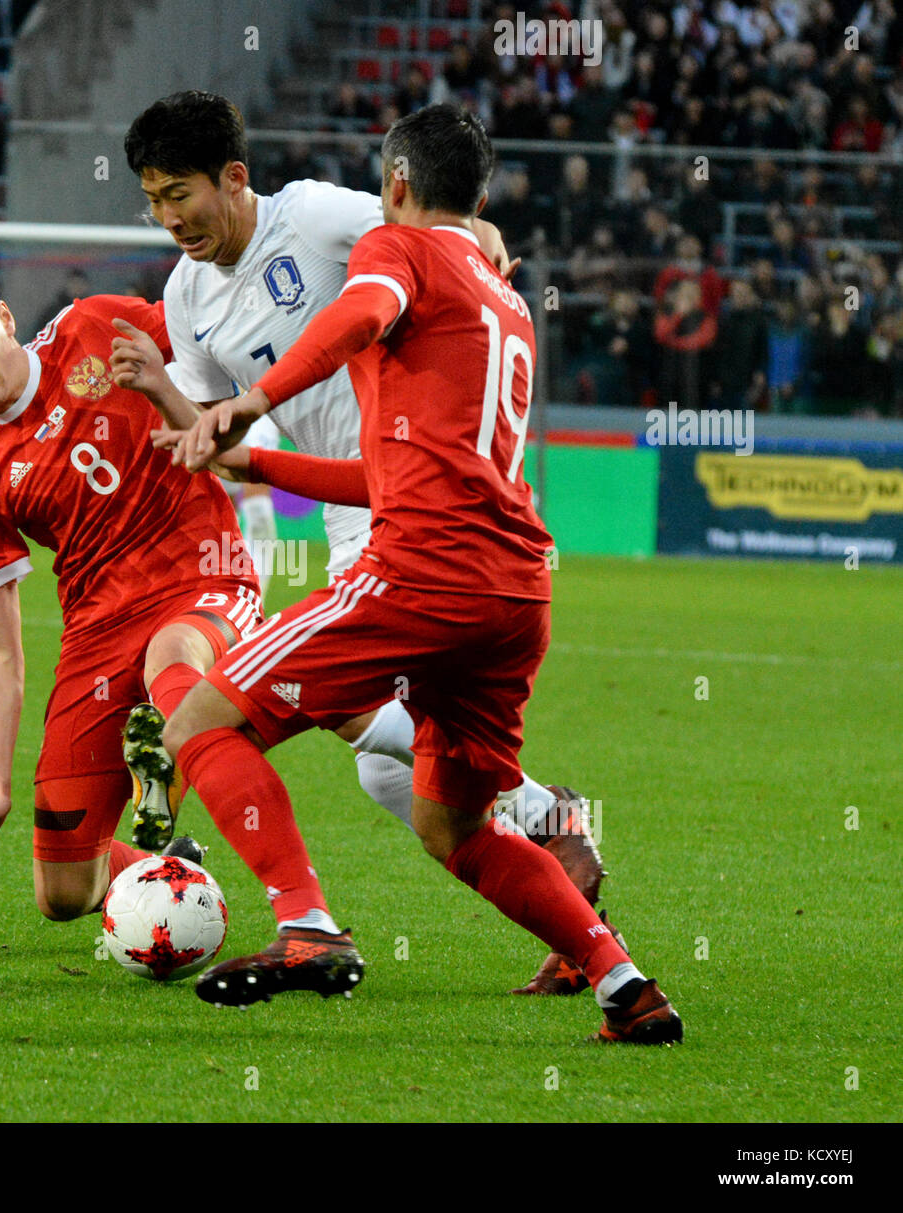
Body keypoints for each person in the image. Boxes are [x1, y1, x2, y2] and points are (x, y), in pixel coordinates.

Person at [149, 105, 682, 1044]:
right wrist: (256, 455)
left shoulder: (379, 244)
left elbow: (364, 310)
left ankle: (309, 927)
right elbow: (376, 460)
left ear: (394, 186)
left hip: (414, 557)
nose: (168, 215)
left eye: (176, 193)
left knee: (199, 717)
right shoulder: (504, 300)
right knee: (439, 818)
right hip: (513, 584)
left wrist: (259, 399)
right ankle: (621, 981)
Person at [0, 261, 263, 922]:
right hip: (96, 629)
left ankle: (182, 763)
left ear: (5, 318)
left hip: (202, 576)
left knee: (171, 656)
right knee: (65, 892)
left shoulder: (93, 326)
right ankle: (172, 866)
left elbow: (211, 330)